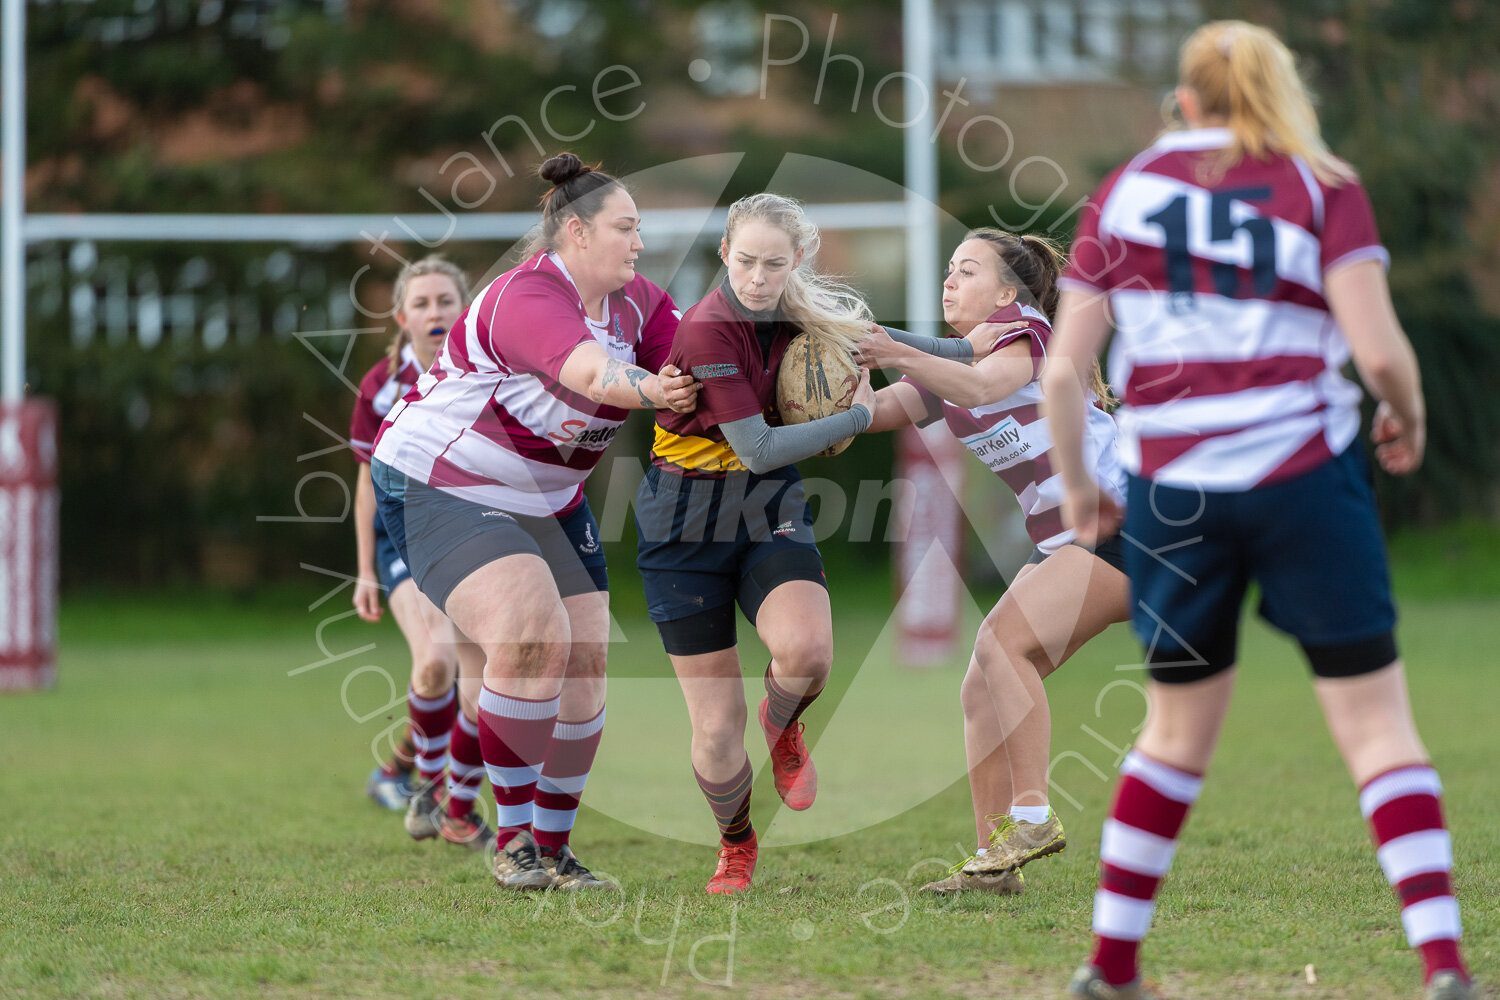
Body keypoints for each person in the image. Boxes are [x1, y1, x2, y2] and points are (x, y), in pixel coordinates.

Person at [1042, 22, 1473, 1000]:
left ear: (1185, 100)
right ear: (1282, 89)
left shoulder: (1127, 190)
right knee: (1375, 726)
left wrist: (1079, 487)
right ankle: (1444, 965)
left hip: (1173, 491)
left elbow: (1065, 369)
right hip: (1301, 474)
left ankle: (1111, 967)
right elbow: (1380, 352)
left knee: (1175, 733)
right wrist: (1404, 416)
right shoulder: (1324, 183)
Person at [371, 153, 699, 893]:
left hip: (548, 500)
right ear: (576, 233)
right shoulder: (526, 296)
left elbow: (698, 362)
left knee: (583, 665)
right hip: (441, 481)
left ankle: (552, 849)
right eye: (626, 228)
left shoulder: (639, 302)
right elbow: (589, 374)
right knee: (530, 633)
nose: (639, 244)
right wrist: (655, 387)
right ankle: (512, 841)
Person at [854, 228, 1130, 897]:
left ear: (1007, 291)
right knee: (983, 680)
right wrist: (848, 367)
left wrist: (892, 347)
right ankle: (993, 863)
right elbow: (867, 418)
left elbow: (984, 386)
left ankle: (1032, 817)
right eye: (948, 270)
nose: (950, 281)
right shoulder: (950, 368)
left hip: (1124, 520)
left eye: (967, 270)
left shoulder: (1025, 329)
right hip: (1068, 536)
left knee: (1004, 645)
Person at [635, 193, 882, 895]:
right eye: (745, 261)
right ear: (724, 254)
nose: (757, 276)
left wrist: (1001, 343)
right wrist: (859, 415)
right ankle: (736, 844)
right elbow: (761, 446)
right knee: (717, 729)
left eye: (774, 263)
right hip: (682, 522)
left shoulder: (804, 313)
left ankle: (784, 727)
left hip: (765, 507)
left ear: (796, 260)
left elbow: (893, 345)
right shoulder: (708, 329)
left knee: (806, 653)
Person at [353, 255, 492, 852]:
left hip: (473, 531)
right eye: (422, 303)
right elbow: (365, 481)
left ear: (465, 309)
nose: (435, 313)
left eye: (445, 301)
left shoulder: (488, 371)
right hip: (401, 533)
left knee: (484, 682)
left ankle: (413, 775)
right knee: (436, 660)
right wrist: (363, 572)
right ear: (400, 315)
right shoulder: (382, 386)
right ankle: (433, 795)